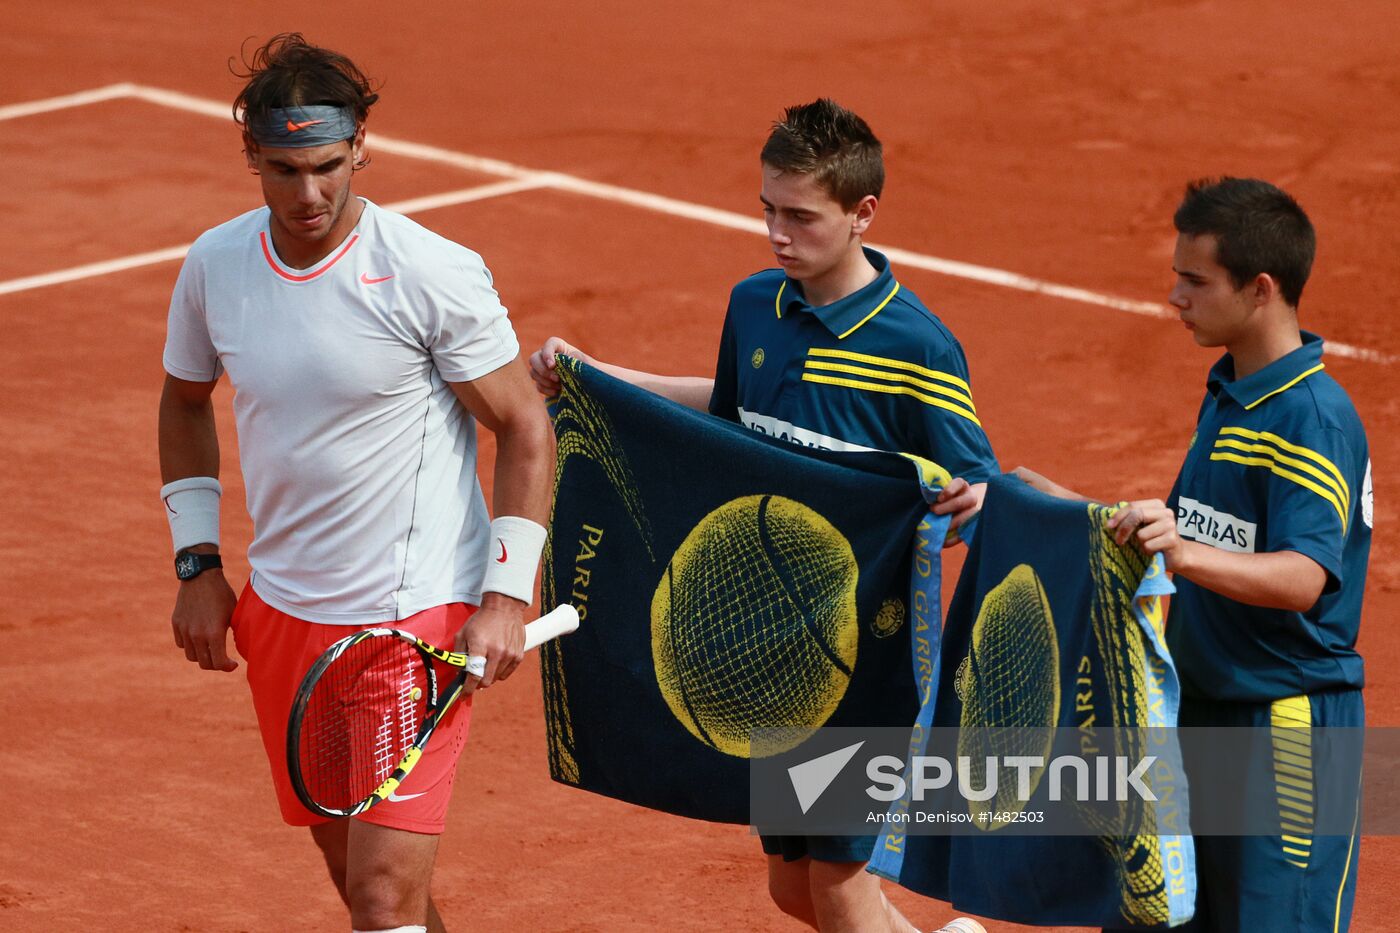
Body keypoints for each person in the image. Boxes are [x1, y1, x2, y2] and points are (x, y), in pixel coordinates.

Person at [529, 99, 999, 933]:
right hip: (770, 648)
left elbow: (977, 482)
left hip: (861, 655)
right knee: (795, 890)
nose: (779, 235)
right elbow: (728, 421)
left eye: (801, 217)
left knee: (840, 889)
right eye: (769, 211)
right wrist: (599, 374)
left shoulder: (918, 348)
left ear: (863, 213)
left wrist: (973, 501)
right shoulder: (754, 305)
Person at [157, 34, 554, 933]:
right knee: (361, 882)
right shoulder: (215, 264)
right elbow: (183, 401)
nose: (309, 194)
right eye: (285, 170)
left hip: (412, 618)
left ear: (361, 146)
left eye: (328, 167)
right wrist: (197, 563)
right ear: (251, 155)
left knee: (380, 897)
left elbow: (524, 424)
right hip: (285, 618)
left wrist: (504, 596)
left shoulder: (427, 270)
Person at [1017, 177, 1371, 932]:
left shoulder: (1311, 418)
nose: (1175, 296)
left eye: (1196, 280)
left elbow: (1303, 578)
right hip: (1194, 713)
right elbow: (1184, 531)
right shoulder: (1234, 394)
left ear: (1260, 289)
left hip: (1282, 734)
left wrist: (1183, 553)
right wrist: (1053, 505)